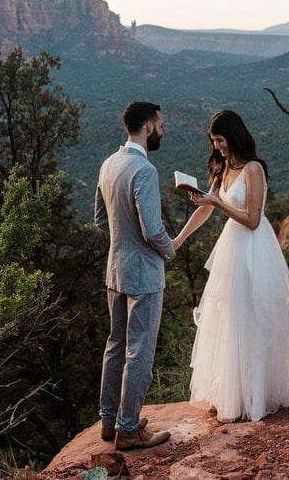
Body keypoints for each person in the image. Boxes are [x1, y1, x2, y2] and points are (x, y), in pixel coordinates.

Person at [173, 109, 289, 423]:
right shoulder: (223, 167)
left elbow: (253, 221)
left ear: (234, 135)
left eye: (220, 140)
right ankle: (230, 393)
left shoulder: (254, 169)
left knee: (252, 318)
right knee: (228, 318)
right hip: (231, 249)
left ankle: (255, 395)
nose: (217, 147)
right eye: (213, 142)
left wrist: (216, 203)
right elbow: (205, 211)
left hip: (254, 249)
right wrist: (178, 240)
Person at [95, 101, 178, 450]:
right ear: (147, 127)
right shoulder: (144, 171)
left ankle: (109, 422)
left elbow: (101, 220)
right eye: (160, 124)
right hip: (143, 274)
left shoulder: (109, 163)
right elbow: (153, 229)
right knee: (140, 352)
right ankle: (129, 429)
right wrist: (170, 249)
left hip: (115, 270)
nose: (162, 129)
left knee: (115, 346)